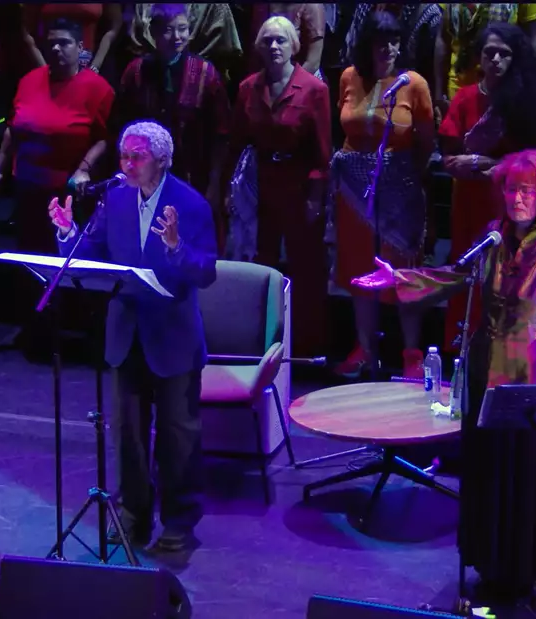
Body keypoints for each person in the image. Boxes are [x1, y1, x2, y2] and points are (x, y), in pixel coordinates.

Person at [352, 149, 536, 597]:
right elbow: (455, 275)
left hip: (534, 374)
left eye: (526, 191)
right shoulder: (492, 237)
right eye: (511, 189)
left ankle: (533, 571)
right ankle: (491, 565)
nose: (516, 198)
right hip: (485, 371)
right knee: (490, 472)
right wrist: (400, 279)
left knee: (530, 475)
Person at [48, 120, 217, 551]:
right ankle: (133, 514)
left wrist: (178, 247)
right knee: (128, 433)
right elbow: (89, 257)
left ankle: (179, 521)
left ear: (161, 160)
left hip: (172, 336)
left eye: (136, 156)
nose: (127, 163)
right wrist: (68, 232)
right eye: (124, 155)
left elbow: (206, 272)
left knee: (178, 434)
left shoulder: (190, 204)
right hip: (126, 334)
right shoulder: (115, 199)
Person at [332, 11, 436, 380]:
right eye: (381, 42)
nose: (388, 49)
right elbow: (341, 126)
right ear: (367, 44)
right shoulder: (348, 77)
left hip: (400, 191)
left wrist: (402, 179)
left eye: (394, 42)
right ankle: (364, 349)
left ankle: (411, 353)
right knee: (360, 271)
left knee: (403, 273)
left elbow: (426, 141)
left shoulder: (414, 83)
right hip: (354, 193)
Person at [439, 21, 536, 353]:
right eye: (491, 53)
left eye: (505, 54)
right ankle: (462, 348)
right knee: (469, 273)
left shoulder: (526, 102)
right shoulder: (464, 98)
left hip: (510, 208)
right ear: (479, 58)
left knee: (509, 276)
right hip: (469, 205)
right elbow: (449, 159)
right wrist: (475, 164)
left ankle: (507, 352)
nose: (497, 61)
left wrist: (482, 164)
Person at [227, 15, 333, 358]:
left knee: (306, 267)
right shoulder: (247, 88)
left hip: (300, 188)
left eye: (281, 40)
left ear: (294, 46)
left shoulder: (314, 89)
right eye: (268, 40)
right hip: (261, 187)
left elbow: (322, 152)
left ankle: (305, 345)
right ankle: (264, 341)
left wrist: (316, 198)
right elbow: (236, 143)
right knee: (262, 265)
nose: (274, 46)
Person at [0, 17, 115, 255]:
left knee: (60, 257)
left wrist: (84, 168)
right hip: (26, 187)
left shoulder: (97, 88)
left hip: (66, 193)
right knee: (27, 255)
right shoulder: (29, 80)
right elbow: (12, 128)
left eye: (64, 43)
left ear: (80, 47)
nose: (56, 48)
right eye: (51, 44)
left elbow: (104, 138)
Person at [118, 4, 231, 253]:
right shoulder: (136, 72)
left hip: (192, 174)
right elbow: (121, 125)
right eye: (169, 30)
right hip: (146, 177)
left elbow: (221, 134)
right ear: (154, 32)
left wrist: (214, 183)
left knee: (190, 243)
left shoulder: (205, 73)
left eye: (183, 29)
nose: (178, 37)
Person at [433, 4, 536, 123]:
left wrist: (527, 86)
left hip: (504, 89)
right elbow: (443, 39)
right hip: (458, 88)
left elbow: (534, 38)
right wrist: (438, 93)